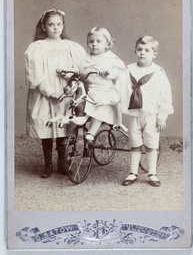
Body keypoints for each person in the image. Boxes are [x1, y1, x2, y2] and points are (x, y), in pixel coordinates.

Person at [24, 9, 86, 178]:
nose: (55, 28)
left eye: (59, 24)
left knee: (63, 128)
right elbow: (35, 76)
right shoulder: (37, 48)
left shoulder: (71, 47)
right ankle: (48, 164)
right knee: (47, 128)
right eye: (51, 24)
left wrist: (69, 75)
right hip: (46, 94)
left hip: (65, 92)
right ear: (44, 27)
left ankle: (62, 163)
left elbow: (80, 69)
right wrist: (50, 92)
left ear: (63, 26)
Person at [120, 36, 174, 187]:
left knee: (151, 144)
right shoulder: (128, 71)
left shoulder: (158, 73)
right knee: (135, 143)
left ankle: (152, 173)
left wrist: (162, 116)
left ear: (154, 54)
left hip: (151, 115)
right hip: (134, 114)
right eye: (139, 50)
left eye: (147, 50)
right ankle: (132, 172)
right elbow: (119, 89)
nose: (142, 53)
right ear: (135, 51)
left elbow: (165, 96)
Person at [77, 26, 126, 142]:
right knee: (75, 100)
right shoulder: (85, 58)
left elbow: (122, 73)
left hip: (107, 91)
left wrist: (108, 73)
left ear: (107, 44)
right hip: (90, 90)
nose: (94, 44)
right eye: (91, 41)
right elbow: (79, 70)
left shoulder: (112, 59)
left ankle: (92, 131)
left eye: (99, 41)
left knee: (99, 103)